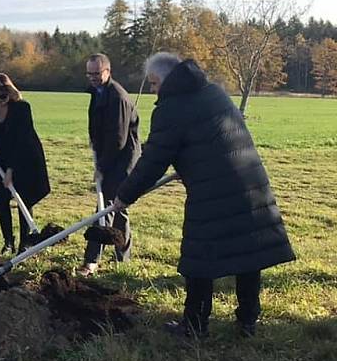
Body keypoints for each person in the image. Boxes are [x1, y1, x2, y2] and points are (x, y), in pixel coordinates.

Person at [113, 52, 295, 338]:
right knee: (249, 253)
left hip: (213, 191)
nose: (152, 91)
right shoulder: (213, 91)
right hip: (250, 181)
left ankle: (194, 325)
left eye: (153, 84)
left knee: (199, 258)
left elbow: (153, 161)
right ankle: (248, 320)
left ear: (165, 80)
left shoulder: (171, 108)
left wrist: (125, 196)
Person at [78, 53, 141, 277]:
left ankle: (92, 261)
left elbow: (118, 139)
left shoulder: (118, 98)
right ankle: (123, 257)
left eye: (96, 73)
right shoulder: (97, 92)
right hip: (107, 154)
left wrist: (101, 167)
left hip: (123, 159)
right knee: (117, 208)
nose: (92, 78)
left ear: (107, 71)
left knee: (105, 208)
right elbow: (97, 125)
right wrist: (94, 143)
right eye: (89, 74)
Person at [0, 73, 50, 254]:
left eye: (2, 96)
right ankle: (8, 242)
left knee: (23, 200)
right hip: (0, 158)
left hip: (25, 159)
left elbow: (22, 141)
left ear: (10, 92)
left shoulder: (22, 108)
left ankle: (25, 243)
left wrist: (11, 170)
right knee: (1, 200)